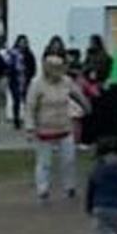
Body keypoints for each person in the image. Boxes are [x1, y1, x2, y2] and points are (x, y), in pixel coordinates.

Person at [27, 54, 88, 201]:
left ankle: (70, 187)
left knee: (69, 159)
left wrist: (86, 105)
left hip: (64, 126)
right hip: (44, 129)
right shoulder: (37, 84)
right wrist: (29, 128)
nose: (58, 72)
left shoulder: (66, 81)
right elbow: (30, 107)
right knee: (44, 162)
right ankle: (43, 189)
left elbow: (77, 94)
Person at [3, 35, 38, 131]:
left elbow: (33, 68)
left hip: (25, 80)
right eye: (20, 42)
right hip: (14, 80)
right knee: (16, 101)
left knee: (27, 102)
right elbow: (7, 66)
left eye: (24, 42)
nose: (22, 44)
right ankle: (16, 120)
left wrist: (29, 77)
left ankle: (29, 121)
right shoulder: (13, 53)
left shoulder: (29, 54)